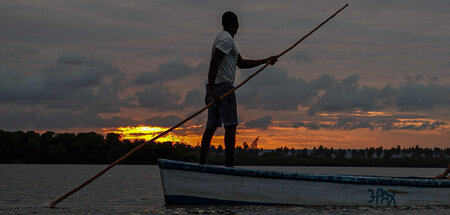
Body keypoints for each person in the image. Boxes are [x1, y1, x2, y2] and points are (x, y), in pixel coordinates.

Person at [199, 11, 277, 167]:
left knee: (212, 126)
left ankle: (201, 164)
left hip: (213, 87)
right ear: (236, 26)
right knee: (230, 126)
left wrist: (265, 61)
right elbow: (214, 63)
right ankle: (229, 167)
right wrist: (214, 91)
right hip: (222, 88)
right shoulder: (227, 40)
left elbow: (242, 63)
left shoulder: (223, 40)